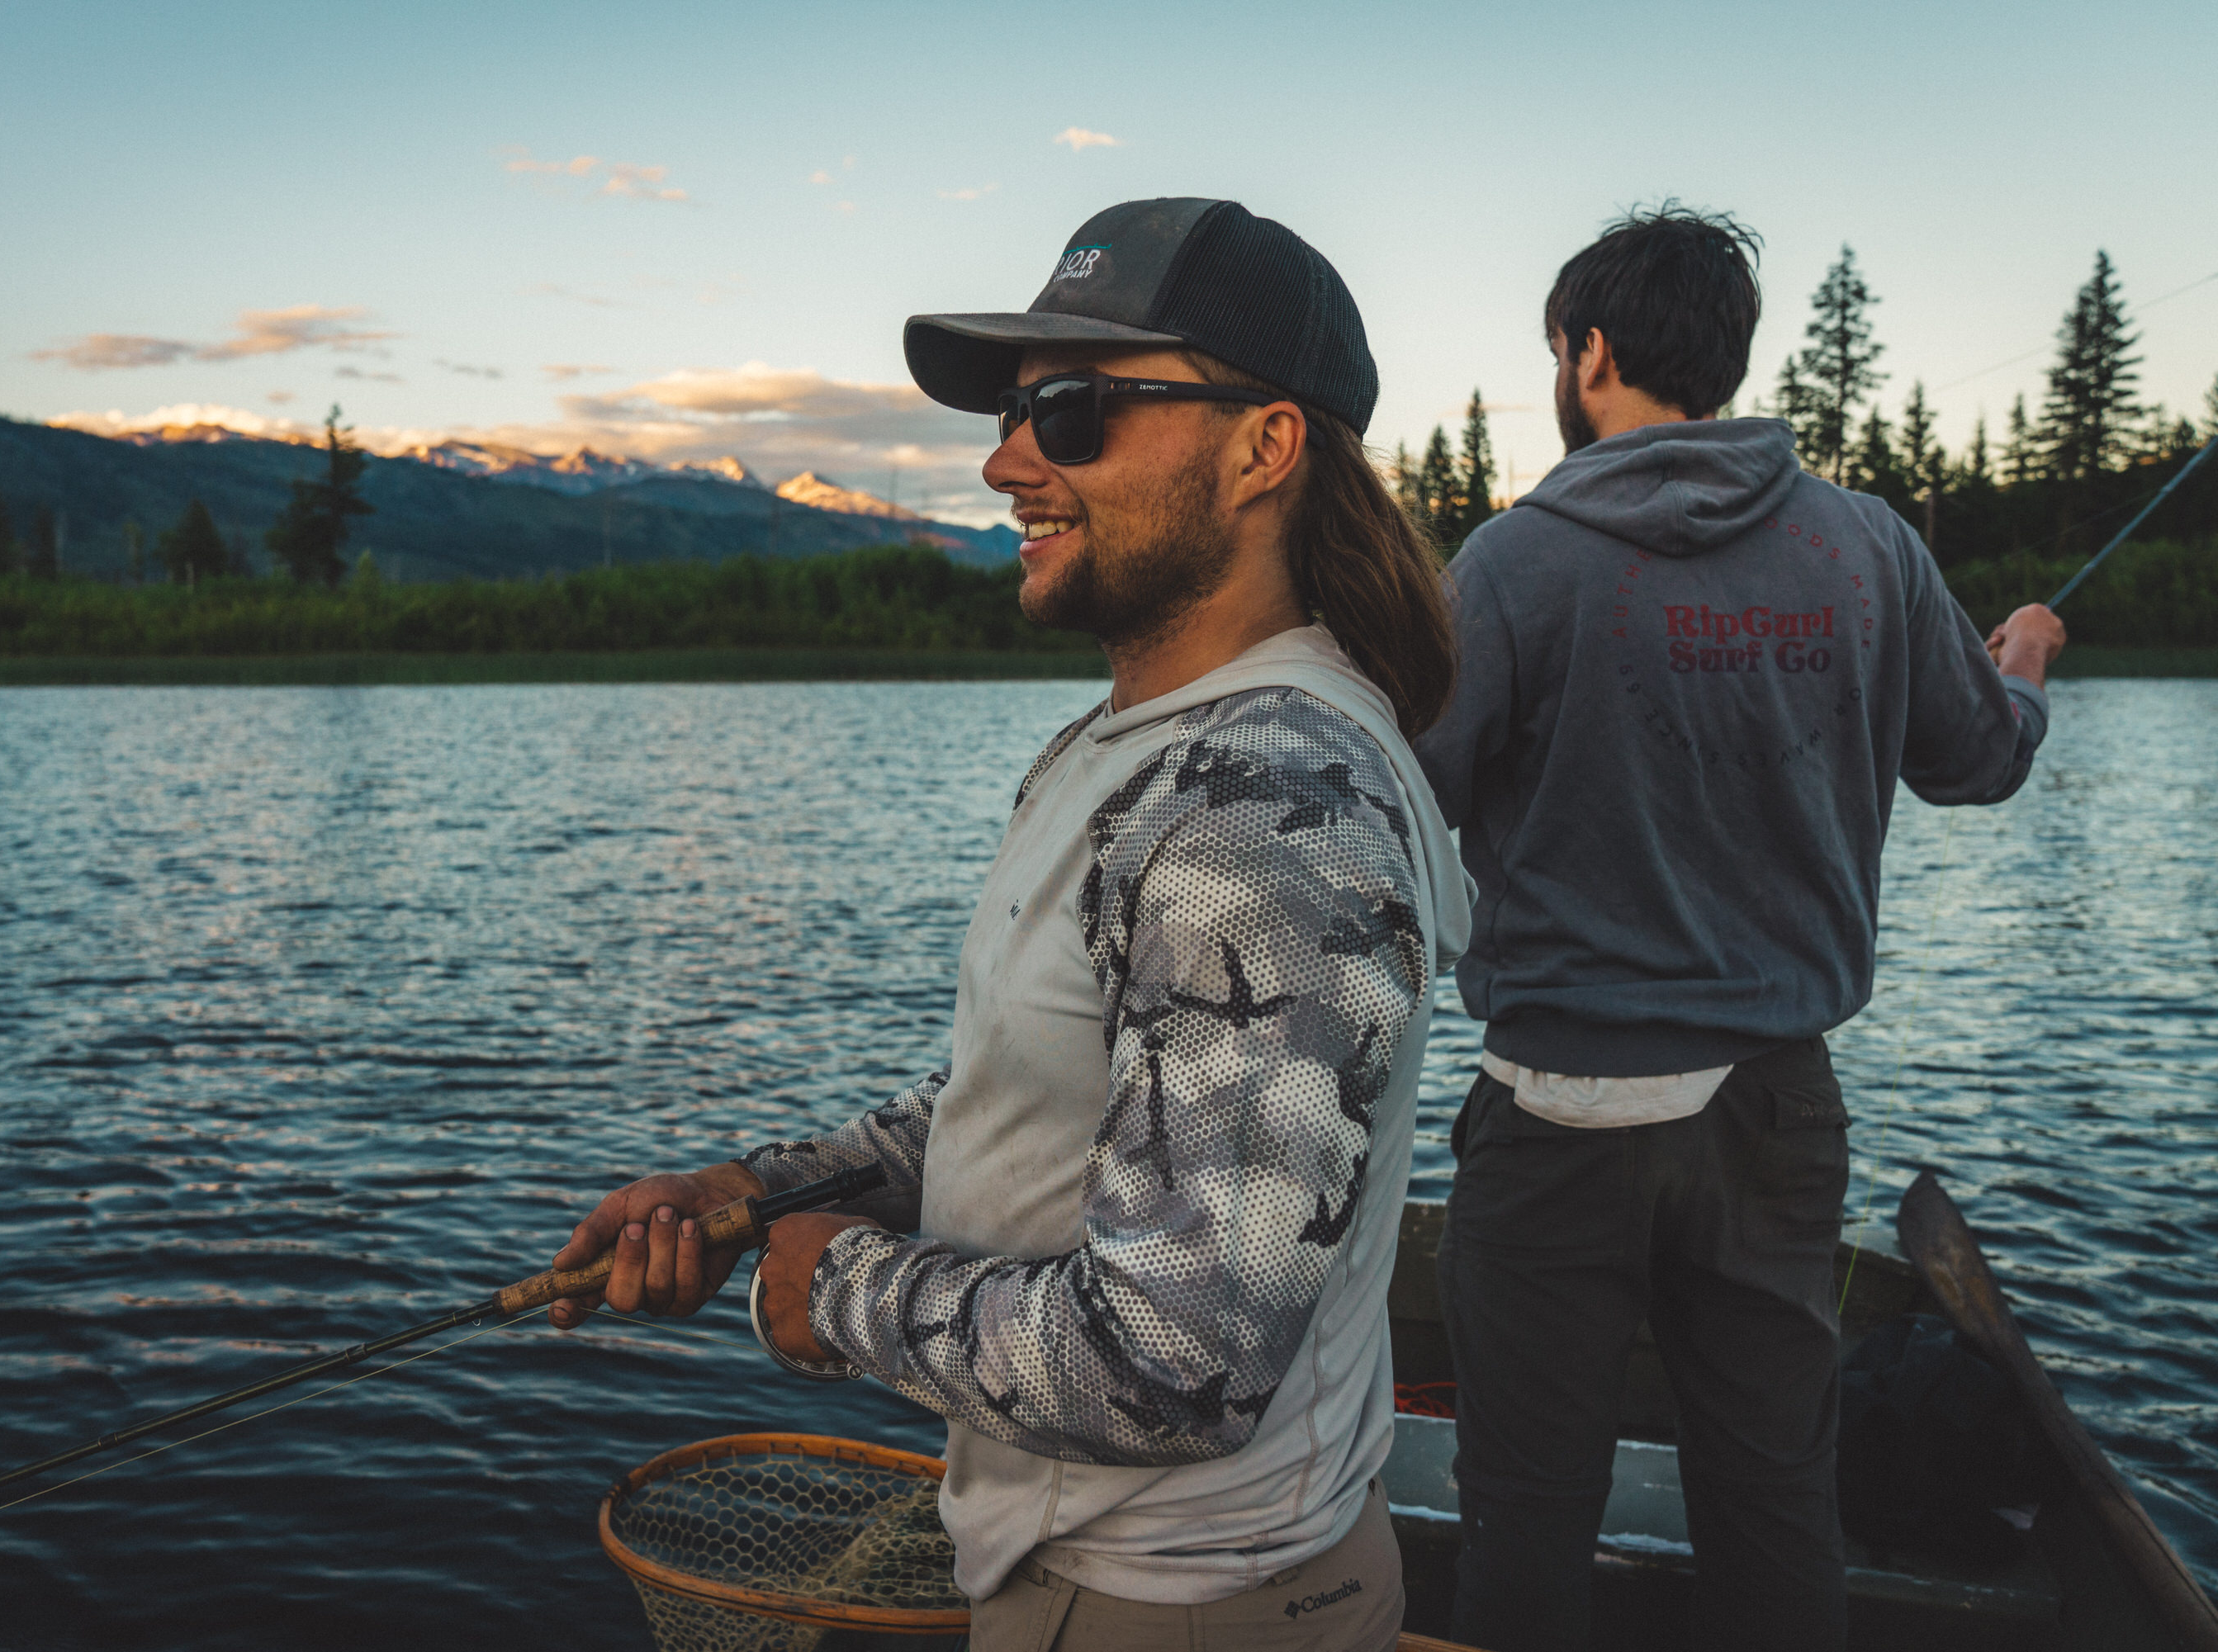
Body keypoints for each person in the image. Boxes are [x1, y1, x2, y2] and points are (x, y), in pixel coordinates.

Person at [547, 197, 1470, 1651]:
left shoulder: (1266, 805)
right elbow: (1047, 1104)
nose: (1007, 457)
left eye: (1071, 409)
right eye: (1013, 410)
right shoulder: (1144, 749)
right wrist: (754, 1197)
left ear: (1263, 448)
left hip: (1180, 1605)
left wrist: (835, 1288)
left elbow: (1181, 1358)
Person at [1411, 205, 2066, 1652]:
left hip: (1551, 1117)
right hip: (1777, 1107)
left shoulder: (1513, 565)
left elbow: (1402, 805)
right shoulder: (1870, 551)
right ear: (1724, 356)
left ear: (1588, 353)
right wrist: (2020, 671)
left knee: (1525, 1500)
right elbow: (1979, 757)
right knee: (1776, 1498)